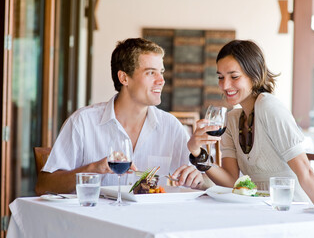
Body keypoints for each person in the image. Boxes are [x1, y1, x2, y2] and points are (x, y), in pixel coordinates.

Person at [35, 38, 203, 195]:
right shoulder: (83, 122)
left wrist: (196, 177)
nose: (161, 80)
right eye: (151, 73)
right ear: (124, 78)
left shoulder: (171, 127)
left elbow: (203, 184)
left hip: (154, 223)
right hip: (96, 224)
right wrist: (94, 168)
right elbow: (44, 186)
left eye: (161, 72)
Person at [186, 40, 314, 205]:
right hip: (258, 210)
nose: (225, 85)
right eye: (220, 77)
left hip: (292, 208)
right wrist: (197, 153)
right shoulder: (231, 120)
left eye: (234, 76)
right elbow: (230, 181)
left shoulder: (269, 106)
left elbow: (306, 172)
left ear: (254, 75)